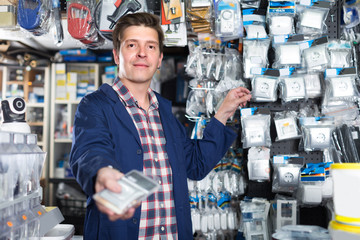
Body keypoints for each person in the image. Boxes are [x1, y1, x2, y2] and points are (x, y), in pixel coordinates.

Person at [69, 12, 251, 240]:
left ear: (159, 59)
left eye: (151, 47)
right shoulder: (96, 106)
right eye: (132, 45)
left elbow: (195, 164)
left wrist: (224, 111)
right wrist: (103, 174)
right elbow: (89, 151)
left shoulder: (164, 113)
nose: (142, 53)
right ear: (117, 55)